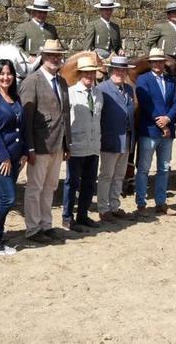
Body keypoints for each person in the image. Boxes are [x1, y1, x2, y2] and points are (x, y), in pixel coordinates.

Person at [19, 39, 71, 243]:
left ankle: (46, 224)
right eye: (51, 55)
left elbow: (65, 115)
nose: (55, 58)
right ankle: (33, 228)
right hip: (39, 144)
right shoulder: (32, 81)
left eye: (58, 55)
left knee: (50, 186)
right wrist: (29, 146)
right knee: (35, 187)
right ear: (43, 57)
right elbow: (26, 118)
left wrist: (67, 144)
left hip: (57, 144)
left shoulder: (62, 81)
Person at [0, 59, 27, 255]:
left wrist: (24, 152)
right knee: (9, 198)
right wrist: (4, 157)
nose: (5, 77)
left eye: (9, 73)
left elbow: (22, 128)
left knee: (2, 197)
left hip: (16, 158)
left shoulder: (16, 99)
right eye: (2, 73)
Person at [134, 48, 176, 217]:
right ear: (150, 63)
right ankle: (141, 203)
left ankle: (161, 202)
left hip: (167, 130)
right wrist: (161, 121)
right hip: (150, 129)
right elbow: (146, 104)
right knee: (144, 168)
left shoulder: (170, 81)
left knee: (164, 168)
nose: (157, 64)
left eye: (160, 61)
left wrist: (167, 119)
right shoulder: (143, 79)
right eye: (154, 61)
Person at [62, 56, 103, 232]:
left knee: (89, 182)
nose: (89, 76)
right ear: (80, 74)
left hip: (93, 145)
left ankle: (83, 215)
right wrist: (66, 145)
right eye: (86, 73)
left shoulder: (98, 94)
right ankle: (67, 217)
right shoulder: (70, 93)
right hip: (76, 146)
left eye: (92, 73)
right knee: (72, 183)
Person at [96, 56, 136, 222]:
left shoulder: (128, 88)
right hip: (110, 137)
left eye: (123, 70)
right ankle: (103, 208)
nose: (120, 73)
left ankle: (114, 205)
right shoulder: (102, 89)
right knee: (106, 175)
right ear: (111, 70)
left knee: (119, 175)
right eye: (117, 69)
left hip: (126, 138)